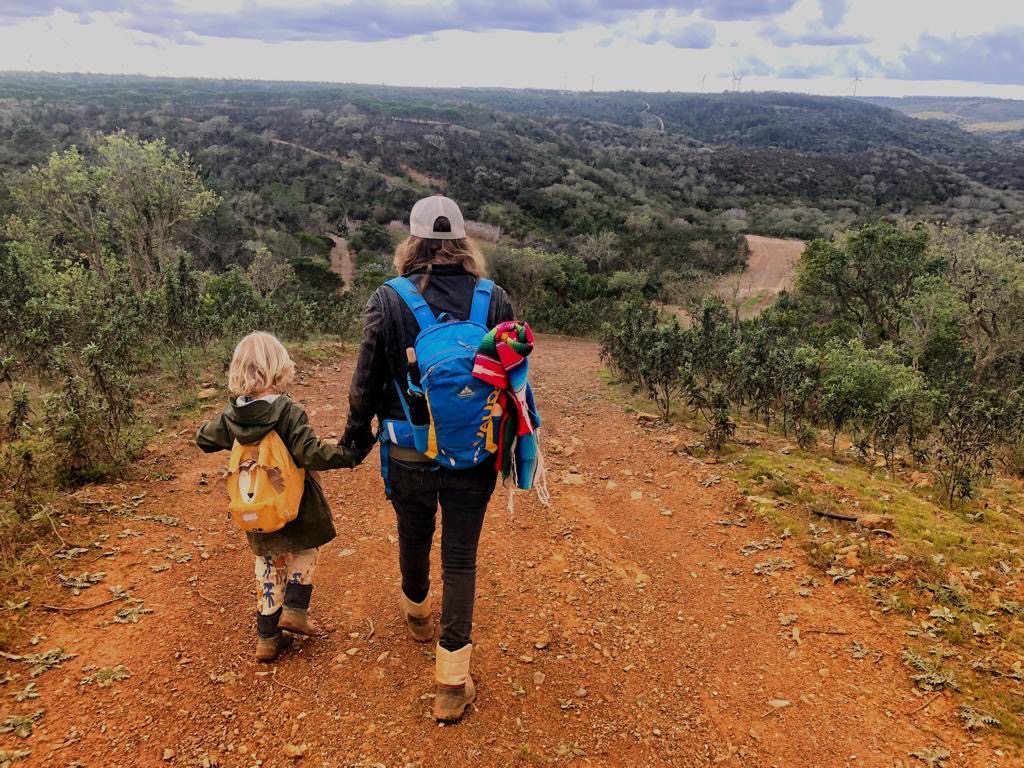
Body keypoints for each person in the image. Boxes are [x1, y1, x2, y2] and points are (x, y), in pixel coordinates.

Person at [342, 195, 514, 721]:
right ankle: (451, 682)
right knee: (460, 558)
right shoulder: (495, 298)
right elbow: (511, 379)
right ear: (464, 242)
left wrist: (354, 440)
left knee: (414, 533)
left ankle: (417, 612)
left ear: (411, 241)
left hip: (408, 447)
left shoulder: (387, 299)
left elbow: (366, 381)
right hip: (474, 452)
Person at [197, 331, 368, 662]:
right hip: (294, 504)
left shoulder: (233, 414)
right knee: (306, 548)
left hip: (256, 506)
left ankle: (267, 638)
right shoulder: (287, 410)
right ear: (278, 368)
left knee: (267, 563)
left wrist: (230, 433)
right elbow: (310, 454)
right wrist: (350, 454)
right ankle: (295, 609)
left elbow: (204, 439)